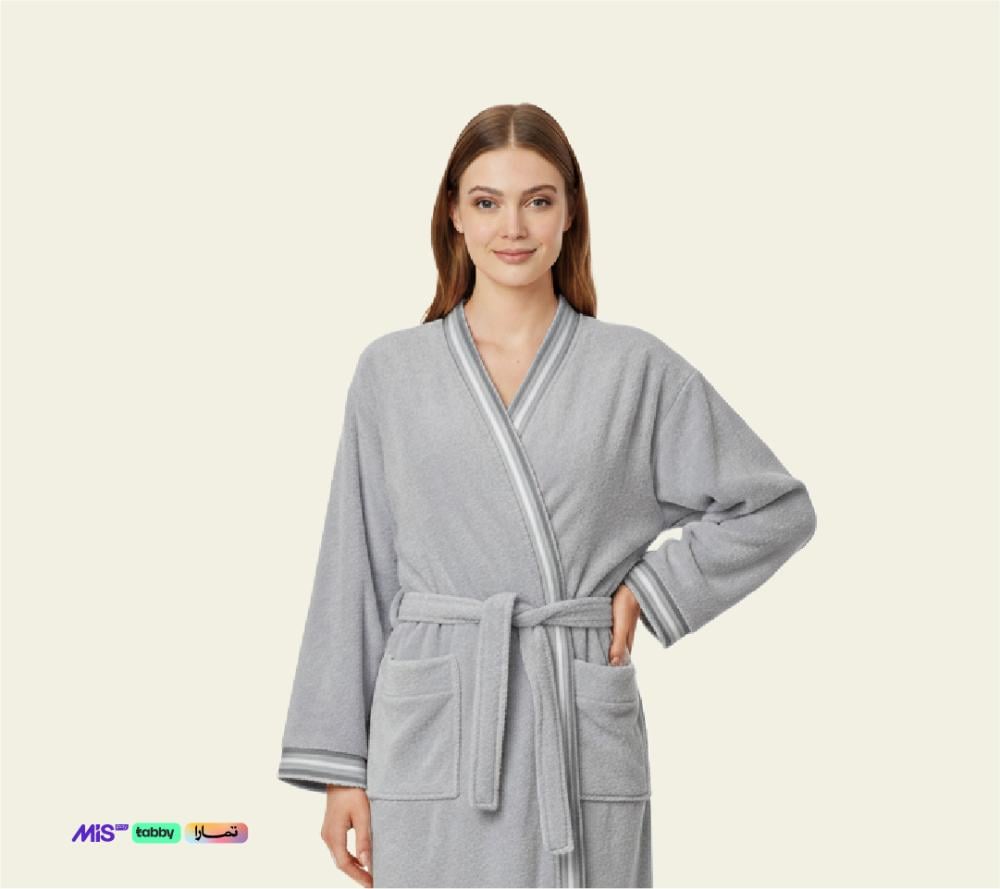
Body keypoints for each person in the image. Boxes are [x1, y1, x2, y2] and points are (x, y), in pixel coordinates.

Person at [276, 103, 817, 889]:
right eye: (487, 201)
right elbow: (351, 570)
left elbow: (775, 507)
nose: (513, 227)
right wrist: (340, 769)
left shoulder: (635, 369)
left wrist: (653, 589)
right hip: (434, 726)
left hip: (572, 716)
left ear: (570, 212)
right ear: (454, 215)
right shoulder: (391, 372)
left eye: (537, 199)